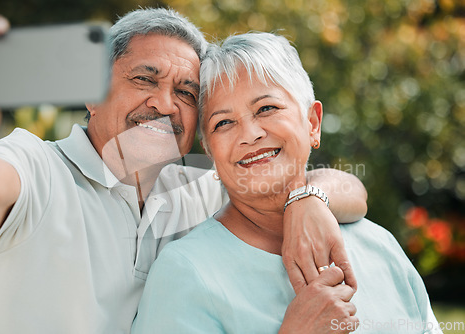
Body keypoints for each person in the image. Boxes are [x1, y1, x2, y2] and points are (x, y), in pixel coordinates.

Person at [0, 7, 367, 334]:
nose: (165, 104)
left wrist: (306, 199)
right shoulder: (37, 168)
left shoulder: (198, 187)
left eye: (186, 93)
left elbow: (348, 188)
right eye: (145, 79)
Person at [132, 32, 442, 334]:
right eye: (223, 122)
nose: (250, 134)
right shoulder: (185, 272)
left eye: (266, 108)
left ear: (312, 123)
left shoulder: (380, 245)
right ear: (210, 150)